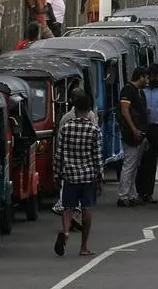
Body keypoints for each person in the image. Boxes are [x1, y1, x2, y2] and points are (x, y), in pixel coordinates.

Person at [54, 92, 102, 258]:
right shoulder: (94, 130)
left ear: (74, 108)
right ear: (89, 109)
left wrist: (57, 173)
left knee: (68, 208)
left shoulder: (66, 128)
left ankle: (66, 232)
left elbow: (59, 154)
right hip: (88, 176)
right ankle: (83, 246)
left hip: (70, 175)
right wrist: (99, 177)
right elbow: (97, 156)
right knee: (86, 209)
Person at [136, 64, 158, 204]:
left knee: (152, 162)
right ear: (152, 76)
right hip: (141, 127)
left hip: (155, 128)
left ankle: (148, 193)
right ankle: (138, 192)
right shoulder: (140, 90)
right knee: (139, 161)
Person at [116, 67, 148, 208]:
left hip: (139, 132)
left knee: (134, 166)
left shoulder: (137, 91)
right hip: (131, 133)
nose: (147, 81)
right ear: (141, 77)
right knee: (129, 165)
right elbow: (124, 111)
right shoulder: (128, 90)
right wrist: (134, 129)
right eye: (146, 78)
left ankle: (131, 194)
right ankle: (123, 196)